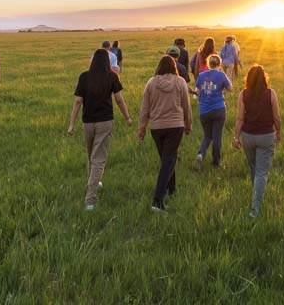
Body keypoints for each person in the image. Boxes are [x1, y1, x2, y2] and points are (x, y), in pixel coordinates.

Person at [68, 49, 132, 211]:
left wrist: (71, 125)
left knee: (91, 156)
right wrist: (127, 117)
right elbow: (118, 99)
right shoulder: (111, 76)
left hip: (87, 122)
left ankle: (94, 182)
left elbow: (77, 102)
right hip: (104, 122)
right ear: (106, 61)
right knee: (98, 159)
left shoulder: (84, 77)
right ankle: (90, 199)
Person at [138, 56, 192, 212]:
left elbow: (145, 108)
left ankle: (171, 189)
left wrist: (141, 128)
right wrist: (188, 125)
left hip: (156, 127)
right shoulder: (180, 82)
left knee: (167, 158)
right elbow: (186, 107)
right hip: (175, 126)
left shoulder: (151, 83)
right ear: (174, 67)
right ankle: (157, 200)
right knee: (168, 159)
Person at [231, 65, 282, 218]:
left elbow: (240, 118)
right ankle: (255, 209)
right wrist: (278, 131)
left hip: (248, 137)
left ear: (248, 79)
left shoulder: (243, 94)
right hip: (266, 136)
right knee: (261, 172)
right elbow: (277, 117)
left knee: (254, 167)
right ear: (264, 78)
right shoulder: (271, 94)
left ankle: (256, 195)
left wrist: (236, 137)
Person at [194, 54, 232, 169]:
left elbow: (198, 92)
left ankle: (201, 154)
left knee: (207, 136)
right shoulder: (221, 75)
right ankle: (216, 161)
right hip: (219, 109)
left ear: (209, 64)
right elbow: (230, 89)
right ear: (219, 64)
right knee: (217, 136)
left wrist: (200, 102)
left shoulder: (201, 75)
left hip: (204, 110)